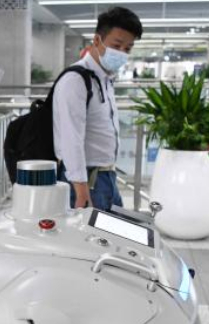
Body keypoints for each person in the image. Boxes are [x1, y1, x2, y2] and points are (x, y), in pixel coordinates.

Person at [52, 7, 142, 210]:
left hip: (105, 176)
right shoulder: (76, 80)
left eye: (127, 49)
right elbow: (71, 139)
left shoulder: (105, 78)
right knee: (87, 239)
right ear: (96, 40)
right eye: (117, 45)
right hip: (86, 181)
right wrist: (81, 190)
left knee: (112, 237)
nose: (121, 54)